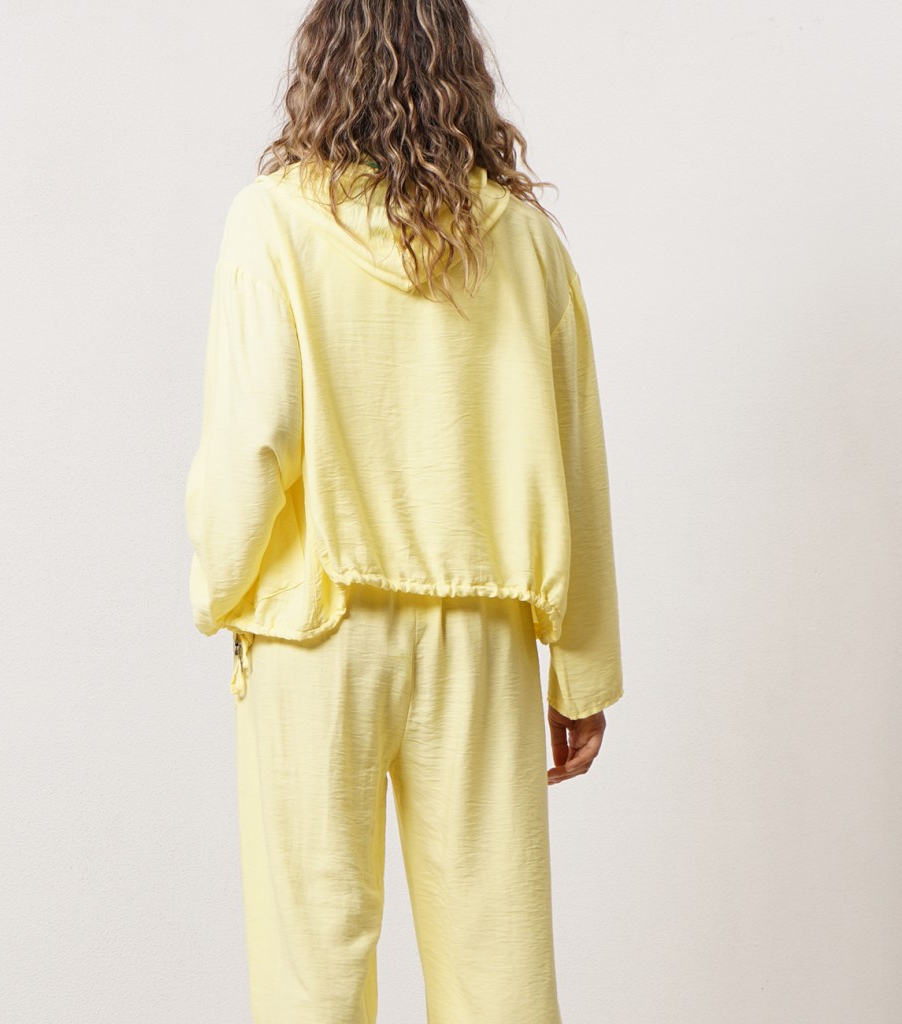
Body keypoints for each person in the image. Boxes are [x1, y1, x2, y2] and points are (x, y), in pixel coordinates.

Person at [184, 2, 624, 1020]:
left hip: (315, 628)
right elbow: (575, 460)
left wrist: (220, 586)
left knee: (313, 964)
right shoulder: (526, 244)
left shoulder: (273, 222)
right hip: (480, 635)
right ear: (461, 70)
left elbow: (253, 438)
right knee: (496, 957)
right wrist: (581, 668)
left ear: (322, 66)